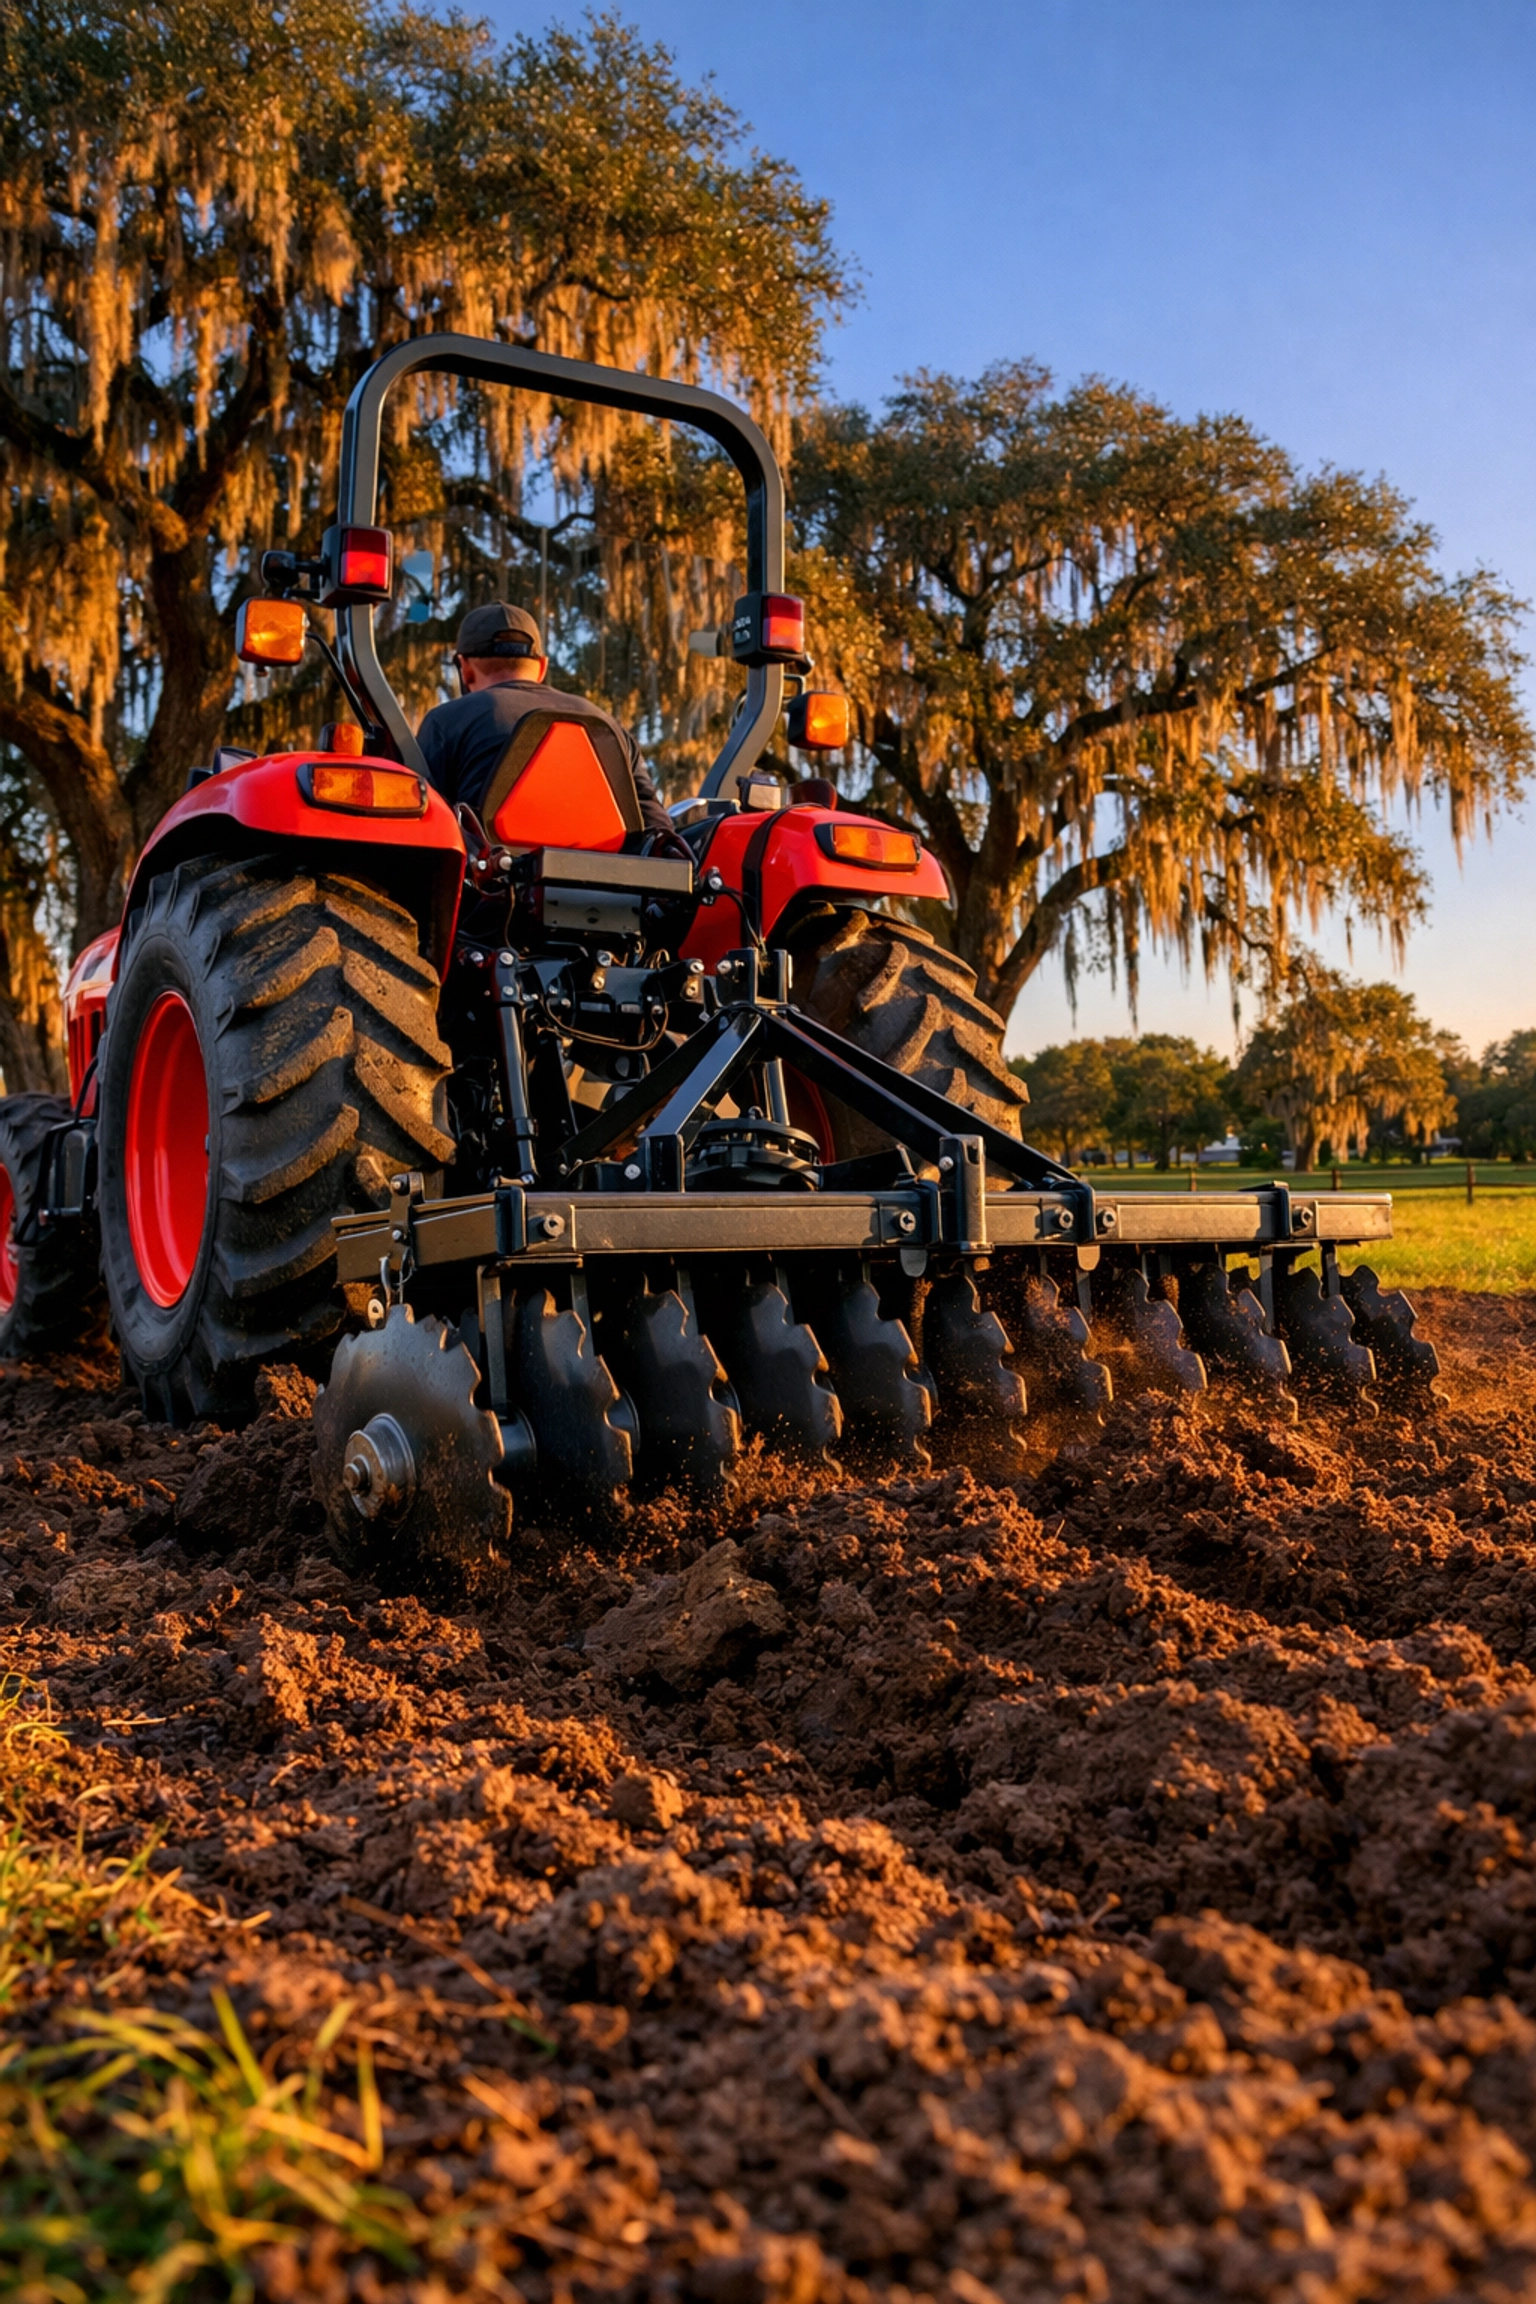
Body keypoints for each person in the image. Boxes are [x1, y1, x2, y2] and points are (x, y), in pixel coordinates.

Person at [416, 601, 675, 842]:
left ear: (465, 668)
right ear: (542, 667)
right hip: (609, 885)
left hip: (490, 884)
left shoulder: (445, 721)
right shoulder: (606, 724)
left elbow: (422, 820)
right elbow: (658, 831)